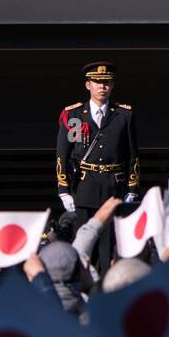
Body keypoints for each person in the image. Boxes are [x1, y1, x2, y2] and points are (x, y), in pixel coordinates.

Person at [55, 62, 141, 270]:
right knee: (84, 245)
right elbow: (63, 156)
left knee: (110, 246)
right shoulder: (74, 115)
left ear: (112, 86)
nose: (102, 86)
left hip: (114, 186)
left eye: (107, 83)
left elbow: (133, 156)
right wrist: (64, 190)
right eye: (97, 82)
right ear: (88, 85)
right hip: (84, 188)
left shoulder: (124, 115)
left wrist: (132, 188)